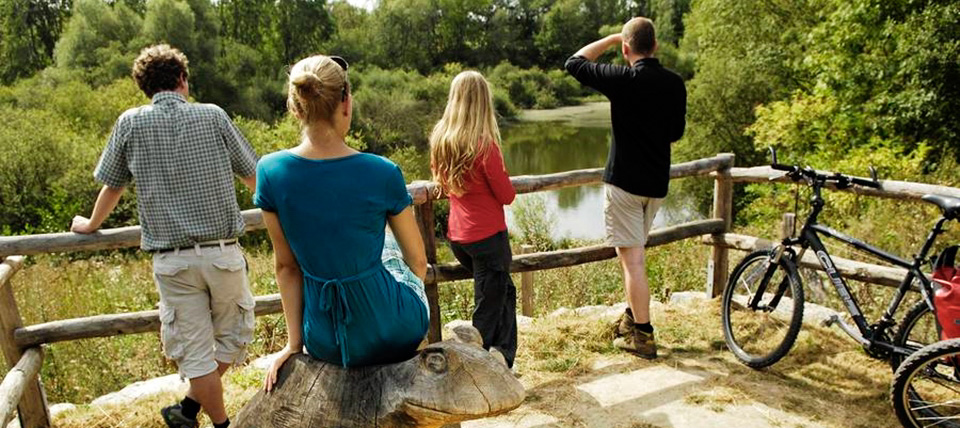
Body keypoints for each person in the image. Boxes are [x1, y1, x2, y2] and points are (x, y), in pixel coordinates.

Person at [71, 44, 258, 428]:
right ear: (182, 79)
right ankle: (221, 424)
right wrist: (284, 212)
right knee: (236, 337)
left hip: (172, 262)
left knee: (195, 354)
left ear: (145, 87)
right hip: (221, 253)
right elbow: (253, 175)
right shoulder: (213, 116)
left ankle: (188, 410)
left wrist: (90, 225)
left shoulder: (129, 122)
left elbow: (112, 186)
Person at [256, 54, 429, 391]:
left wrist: (295, 345)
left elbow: (286, 267)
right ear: (346, 103)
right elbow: (419, 262)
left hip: (325, 338)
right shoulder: (382, 171)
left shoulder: (270, 171)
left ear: (295, 109)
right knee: (388, 246)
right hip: (393, 328)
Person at [564, 17, 687, 359]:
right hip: (656, 185)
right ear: (656, 46)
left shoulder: (623, 79)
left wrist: (610, 37)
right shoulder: (675, 84)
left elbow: (574, 62)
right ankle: (632, 320)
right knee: (635, 259)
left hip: (624, 186)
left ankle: (643, 337)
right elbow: (676, 133)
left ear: (626, 48)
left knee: (633, 263)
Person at [429, 71, 517, 368]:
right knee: (487, 310)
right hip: (488, 237)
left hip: (459, 238)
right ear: (483, 102)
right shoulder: (484, 145)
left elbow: (441, 181)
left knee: (502, 291)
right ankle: (474, 369)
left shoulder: (442, 139)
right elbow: (506, 195)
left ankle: (503, 360)